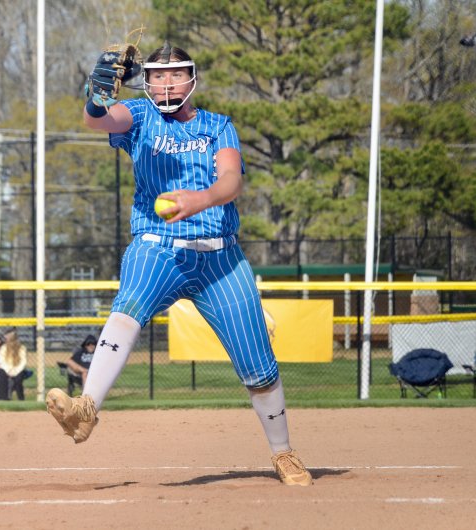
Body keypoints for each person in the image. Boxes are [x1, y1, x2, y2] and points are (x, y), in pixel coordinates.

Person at [46, 43, 312, 486]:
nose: (165, 83)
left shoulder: (216, 125)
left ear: (192, 78)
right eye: (156, 75)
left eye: (174, 74)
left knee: (258, 363)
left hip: (220, 258)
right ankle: (86, 409)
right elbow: (98, 120)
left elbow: (231, 179)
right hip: (159, 245)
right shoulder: (140, 117)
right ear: (145, 81)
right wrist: (95, 97)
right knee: (127, 305)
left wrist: (201, 199)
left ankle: (284, 453)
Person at [0, 328, 29, 401]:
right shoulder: (4, 348)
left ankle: (21, 399)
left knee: (18, 380)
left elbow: (23, 362)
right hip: (7, 370)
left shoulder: (22, 348)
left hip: (18, 370)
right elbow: (2, 361)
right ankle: (4, 398)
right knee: (2, 376)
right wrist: (8, 370)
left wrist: (15, 371)